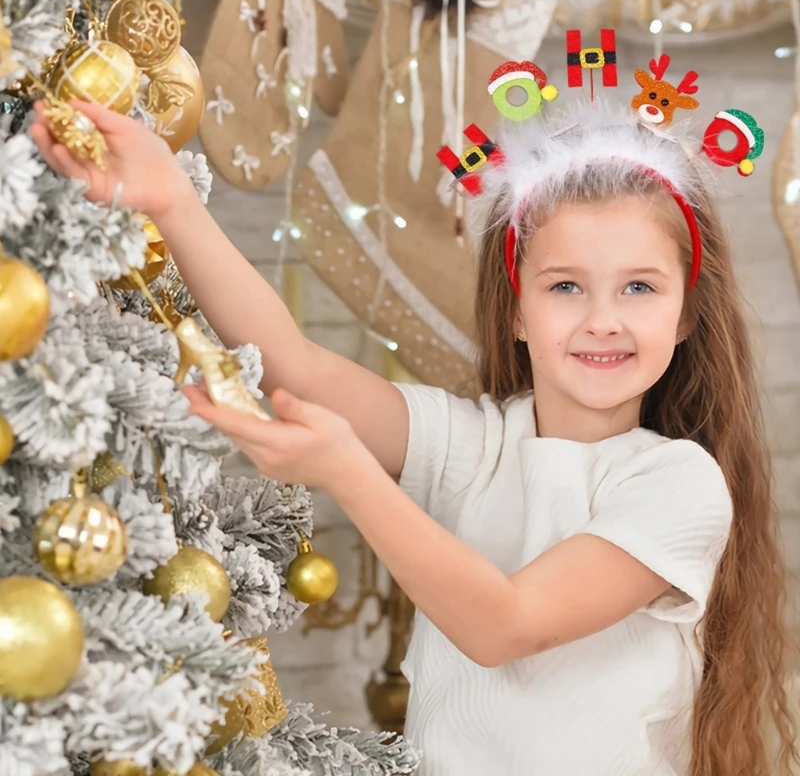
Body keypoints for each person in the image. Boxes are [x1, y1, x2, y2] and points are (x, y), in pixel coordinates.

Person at [30, 79, 797, 775]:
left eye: (639, 286)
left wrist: (348, 472)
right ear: (518, 311)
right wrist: (172, 201)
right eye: (566, 286)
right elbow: (293, 363)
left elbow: (505, 624)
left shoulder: (678, 485)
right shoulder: (473, 445)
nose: (603, 321)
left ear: (686, 312)